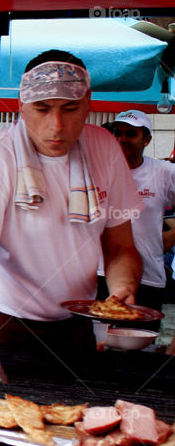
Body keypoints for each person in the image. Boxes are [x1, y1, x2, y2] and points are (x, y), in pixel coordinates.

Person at [0, 50, 142, 362]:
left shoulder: (104, 148)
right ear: (22, 106)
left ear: (88, 102)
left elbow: (120, 245)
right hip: (4, 324)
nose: (57, 126)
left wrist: (121, 290)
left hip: (79, 323)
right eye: (43, 109)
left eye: (70, 108)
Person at [96, 110, 175, 332]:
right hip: (100, 275)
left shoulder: (163, 172)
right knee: (97, 347)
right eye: (117, 133)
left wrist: (169, 238)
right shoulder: (96, 170)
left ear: (147, 140)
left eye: (130, 134)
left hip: (148, 278)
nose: (122, 139)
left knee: (141, 352)